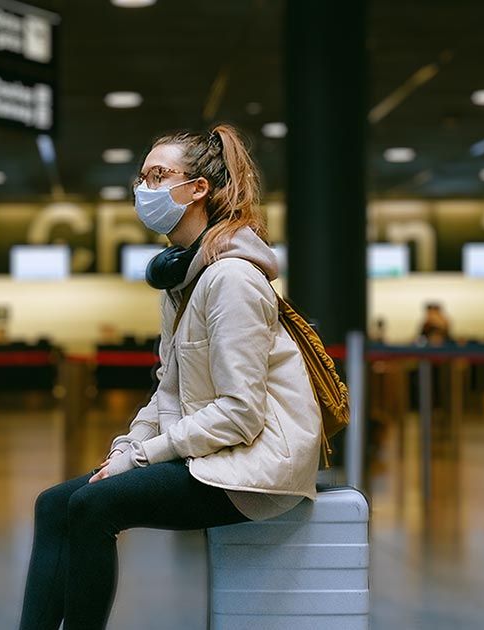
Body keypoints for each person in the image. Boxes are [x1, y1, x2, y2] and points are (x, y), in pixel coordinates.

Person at [18, 124, 323, 630]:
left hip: (255, 470)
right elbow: (170, 389)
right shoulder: (183, 282)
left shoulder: (231, 279)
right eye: (142, 178)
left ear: (198, 188)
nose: (145, 189)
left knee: (93, 508)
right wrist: (127, 446)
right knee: (55, 505)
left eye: (159, 176)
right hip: (217, 454)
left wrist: (142, 457)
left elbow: (242, 415)